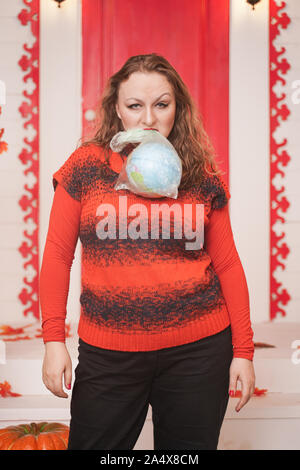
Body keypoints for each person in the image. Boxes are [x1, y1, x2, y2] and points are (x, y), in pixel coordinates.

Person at [40, 53, 255, 450]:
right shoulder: (87, 166)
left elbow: (227, 264)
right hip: (109, 353)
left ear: (178, 109)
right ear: (117, 111)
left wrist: (243, 351)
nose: (149, 119)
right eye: (135, 106)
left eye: (162, 104)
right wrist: (54, 340)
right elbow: (56, 254)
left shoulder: (200, 173)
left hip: (199, 352)